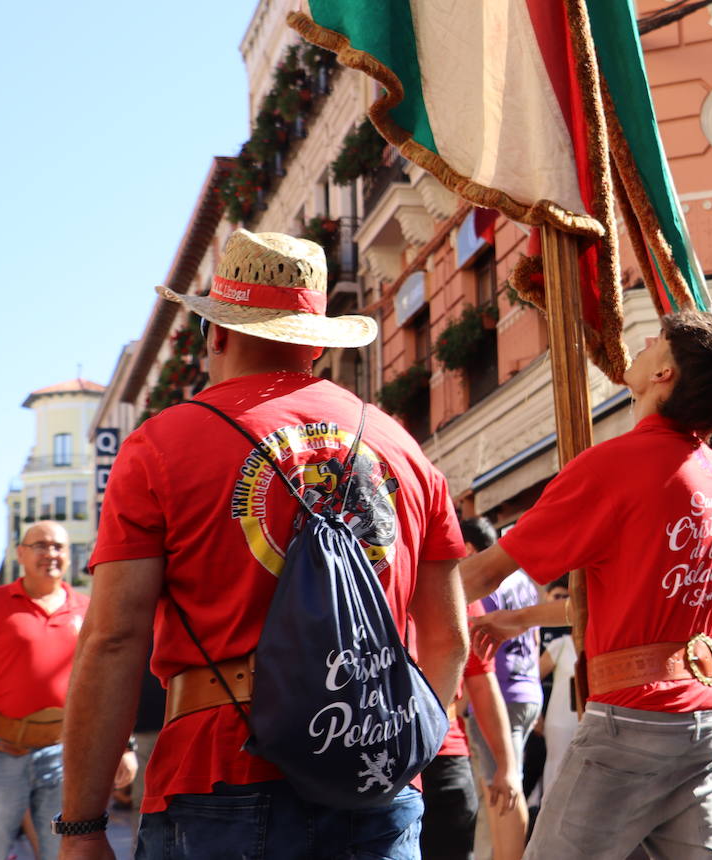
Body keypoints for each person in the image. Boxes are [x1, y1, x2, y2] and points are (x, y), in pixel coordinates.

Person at [57, 230, 469, 860]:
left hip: (220, 770)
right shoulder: (402, 448)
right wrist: (393, 749)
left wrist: (83, 826)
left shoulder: (160, 447)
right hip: (376, 780)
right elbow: (449, 639)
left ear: (216, 332)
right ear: (317, 342)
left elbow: (114, 638)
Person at [460, 309, 712, 860]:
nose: (643, 343)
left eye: (657, 342)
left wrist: (370, 602)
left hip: (631, 724)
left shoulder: (617, 466)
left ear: (664, 375)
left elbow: (479, 574)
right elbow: (637, 597)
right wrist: (520, 620)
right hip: (698, 721)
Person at [0, 521, 134, 860]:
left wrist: (125, 745)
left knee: (64, 850)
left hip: (65, 756)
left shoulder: (90, 610)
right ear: (21, 554)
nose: (51, 553)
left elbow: (109, 686)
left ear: (70, 556)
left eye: (59, 546)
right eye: (40, 545)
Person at [462, 516, 541, 860]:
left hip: (500, 693)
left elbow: (473, 649)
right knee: (507, 788)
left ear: (467, 549)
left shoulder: (483, 578)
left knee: (503, 792)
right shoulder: (522, 579)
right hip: (528, 689)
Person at [422, 600, 523, 860]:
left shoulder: (461, 594)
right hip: (379, 755)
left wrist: (507, 766)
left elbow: (482, 682)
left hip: (445, 756)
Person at [536, 579, 577, 806]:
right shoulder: (561, 644)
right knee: (555, 775)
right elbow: (532, 678)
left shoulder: (601, 646)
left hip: (591, 724)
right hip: (559, 723)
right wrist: (535, 718)